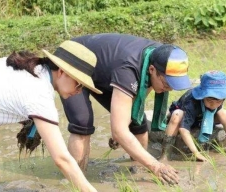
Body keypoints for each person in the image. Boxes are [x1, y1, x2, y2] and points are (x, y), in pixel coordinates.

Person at [0, 40, 101, 192]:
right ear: (62, 72)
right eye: (79, 84)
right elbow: (62, 159)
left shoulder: (33, 70)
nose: (79, 91)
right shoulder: (40, 93)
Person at [60, 33, 192, 185]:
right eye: (166, 83)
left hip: (105, 70)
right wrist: (156, 165)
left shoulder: (160, 56)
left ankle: (138, 172)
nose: (168, 88)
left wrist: (121, 129)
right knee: (82, 123)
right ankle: (76, 181)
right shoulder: (129, 69)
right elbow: (120, 130)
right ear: (151, 69)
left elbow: (136, 103)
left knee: (138, 123)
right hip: (75, 60)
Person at [159, 70, 226, 162]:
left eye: (218, 101)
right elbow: (183, 129)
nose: (214, 105)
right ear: (202, 95)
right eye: (210, 101)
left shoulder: (218, 101)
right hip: (186, 116)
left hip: (204, 118)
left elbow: (221, 113)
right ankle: (165, 155)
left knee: (224, 113)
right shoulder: (191, 102)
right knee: (177, 114)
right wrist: (196, 153)